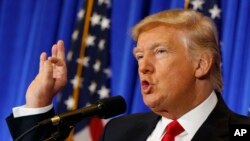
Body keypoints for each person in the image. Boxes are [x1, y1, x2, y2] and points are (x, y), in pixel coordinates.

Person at [6, 9, 250, 141]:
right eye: (139, 56)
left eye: (160, 52)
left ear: (201, 64)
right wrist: (38, 103)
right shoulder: (120, 131)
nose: (143, 67)